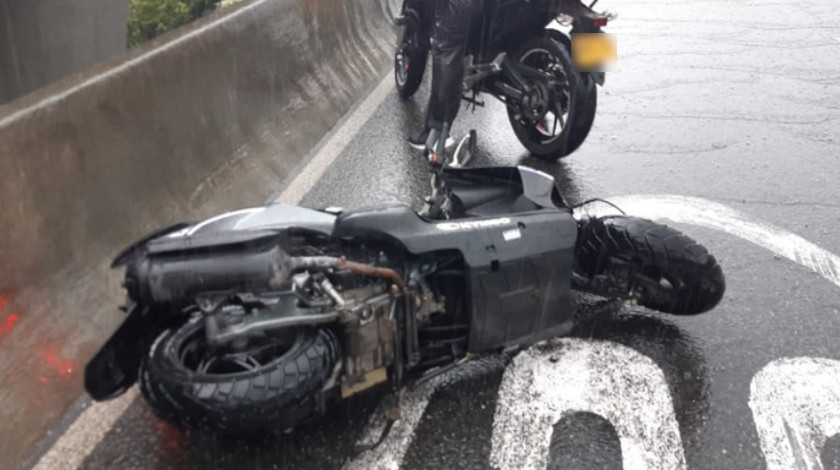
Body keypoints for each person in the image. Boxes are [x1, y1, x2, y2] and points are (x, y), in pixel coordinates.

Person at [408, 0, 485, 154]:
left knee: (446, 53)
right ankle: (442, 124)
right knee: (454, 58)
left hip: (458, 6)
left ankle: (436, 129)